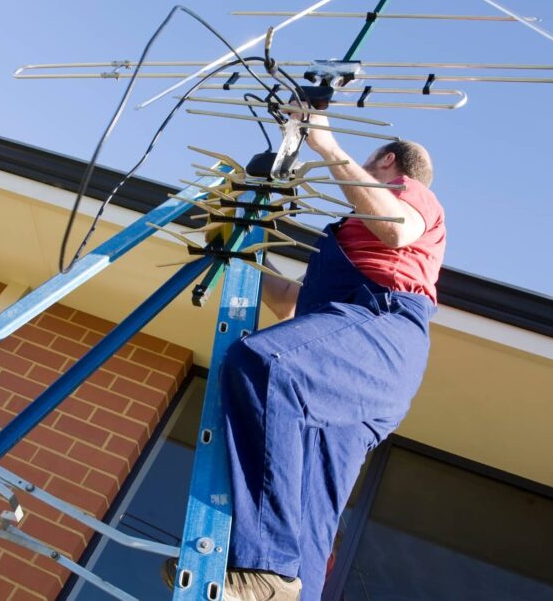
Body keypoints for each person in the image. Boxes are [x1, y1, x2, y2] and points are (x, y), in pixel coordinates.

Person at [166, 115, 446, 600]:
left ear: (387, 161)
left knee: (264, 365)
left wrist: (326, 142)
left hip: (382, 330)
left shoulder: (410, 195)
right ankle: (282, 584)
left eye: (367, 162)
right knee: (310, 511)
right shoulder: (353, 242)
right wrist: (236, 254)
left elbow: (397, 229)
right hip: (350, 357)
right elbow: (293, 306)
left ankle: (265, 564)